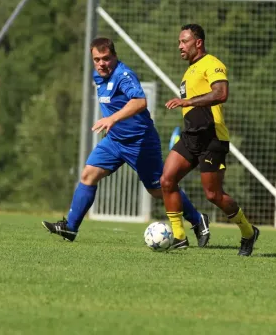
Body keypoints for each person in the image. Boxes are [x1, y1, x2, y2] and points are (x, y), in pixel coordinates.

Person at [42, 38, 210, 248]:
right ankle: (71, 227)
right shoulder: (98, 74)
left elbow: (140, 101)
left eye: (106, 58)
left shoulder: (123, 75)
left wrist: (112, 118)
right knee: (88, 175)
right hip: (114, 141)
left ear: (114, 56)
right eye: (97, 59)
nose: (102, 63)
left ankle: (197, 220)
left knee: (158, 190)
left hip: (140, 142)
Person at [160, 24, 259, 257]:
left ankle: (248, 231)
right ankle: (179, 237)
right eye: (179, 42)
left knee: (213, 195)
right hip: (190, 136)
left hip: (211, 137)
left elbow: (221, 94)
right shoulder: (189, 70)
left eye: (184, 41)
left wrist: (188, 101)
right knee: (166, 180)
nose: (180, 46)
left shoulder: (212, 64)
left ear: (198, 42)